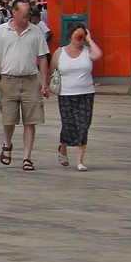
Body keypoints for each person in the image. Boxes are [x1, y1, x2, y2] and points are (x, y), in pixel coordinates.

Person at [0, 0, 50, 171]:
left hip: (30, 80)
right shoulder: (1, 31)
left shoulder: (36, 31)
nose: (27, 17)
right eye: (24, 14)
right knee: (9, 119)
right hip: (8, 80)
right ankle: (7, 144)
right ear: (14, 13)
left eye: (29, 14)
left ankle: (27, 157)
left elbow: (43, 58)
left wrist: (44, 82)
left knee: (30, 121)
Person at [48, 24, 103, 172]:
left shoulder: (87, 51)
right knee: (68, 125)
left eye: (82, 36)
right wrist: (45, 86)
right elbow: (51, 70)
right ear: (70, 35)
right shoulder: (60, 52)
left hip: (86, 93)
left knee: (83, 126)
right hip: (66, 94)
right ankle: (63, 147)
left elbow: (98, 55)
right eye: (76, 35)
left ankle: (80, 161)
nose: (79, 38)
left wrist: (90, 40)